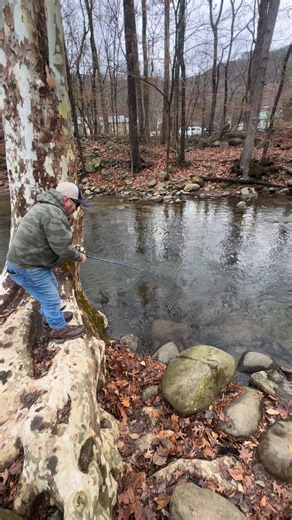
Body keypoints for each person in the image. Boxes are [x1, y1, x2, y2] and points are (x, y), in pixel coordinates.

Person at [6, 181, 88, 341]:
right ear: (66, 201)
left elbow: (54, 240)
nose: (76, 209)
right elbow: (63, 249)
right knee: (50, 298)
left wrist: (71, 247)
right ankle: (58, 330)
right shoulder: (55, 214)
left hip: (29, 263)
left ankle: (49, 317)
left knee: (52, 287)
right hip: (27, 266)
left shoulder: (46, 207)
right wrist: (80, 257)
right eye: (77, 205)